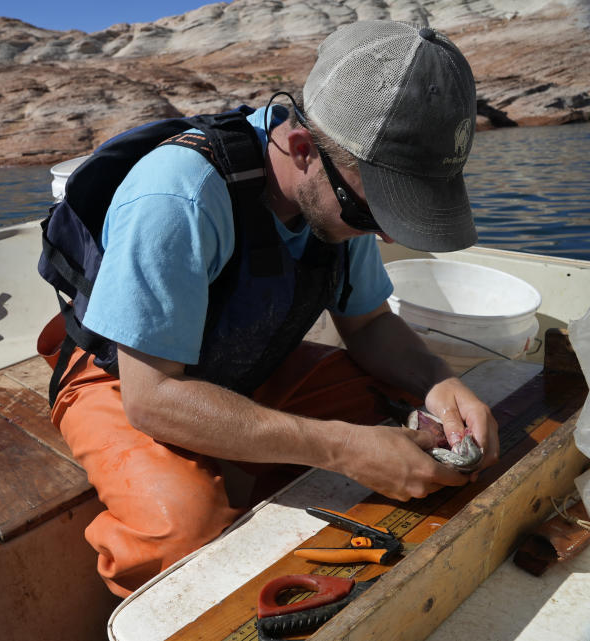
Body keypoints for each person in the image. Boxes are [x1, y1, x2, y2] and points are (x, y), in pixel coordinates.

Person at [36, 20, 499, 597]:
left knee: (399, 426)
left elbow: (371, 323)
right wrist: (340, 447)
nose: (381, 237)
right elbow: (152, 398)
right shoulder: (177, 195)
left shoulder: (337, 191)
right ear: (303, 149)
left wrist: (440, 384)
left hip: (253, 357)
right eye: (370, 215)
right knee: (183, 531)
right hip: (125, 377)